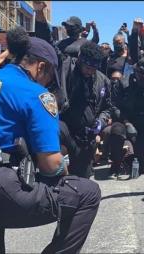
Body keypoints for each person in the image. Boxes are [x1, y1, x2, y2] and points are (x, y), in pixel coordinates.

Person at [0, 27, 101, 254]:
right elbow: (50, 164)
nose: (47, 85)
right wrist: (65, 171)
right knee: (88, 192)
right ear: (41, 66)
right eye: (49, 79)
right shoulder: (37, 94)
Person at [59, 41, 112, 178]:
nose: (90, 71)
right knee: (58, 177)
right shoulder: (66, 70)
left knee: (82, 180)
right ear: (80, 60)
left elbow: (108, 108)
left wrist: (101, 122)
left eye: (94, 69)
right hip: (65, 131)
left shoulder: (103, 81)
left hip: (86, 137)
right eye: (87, 67)